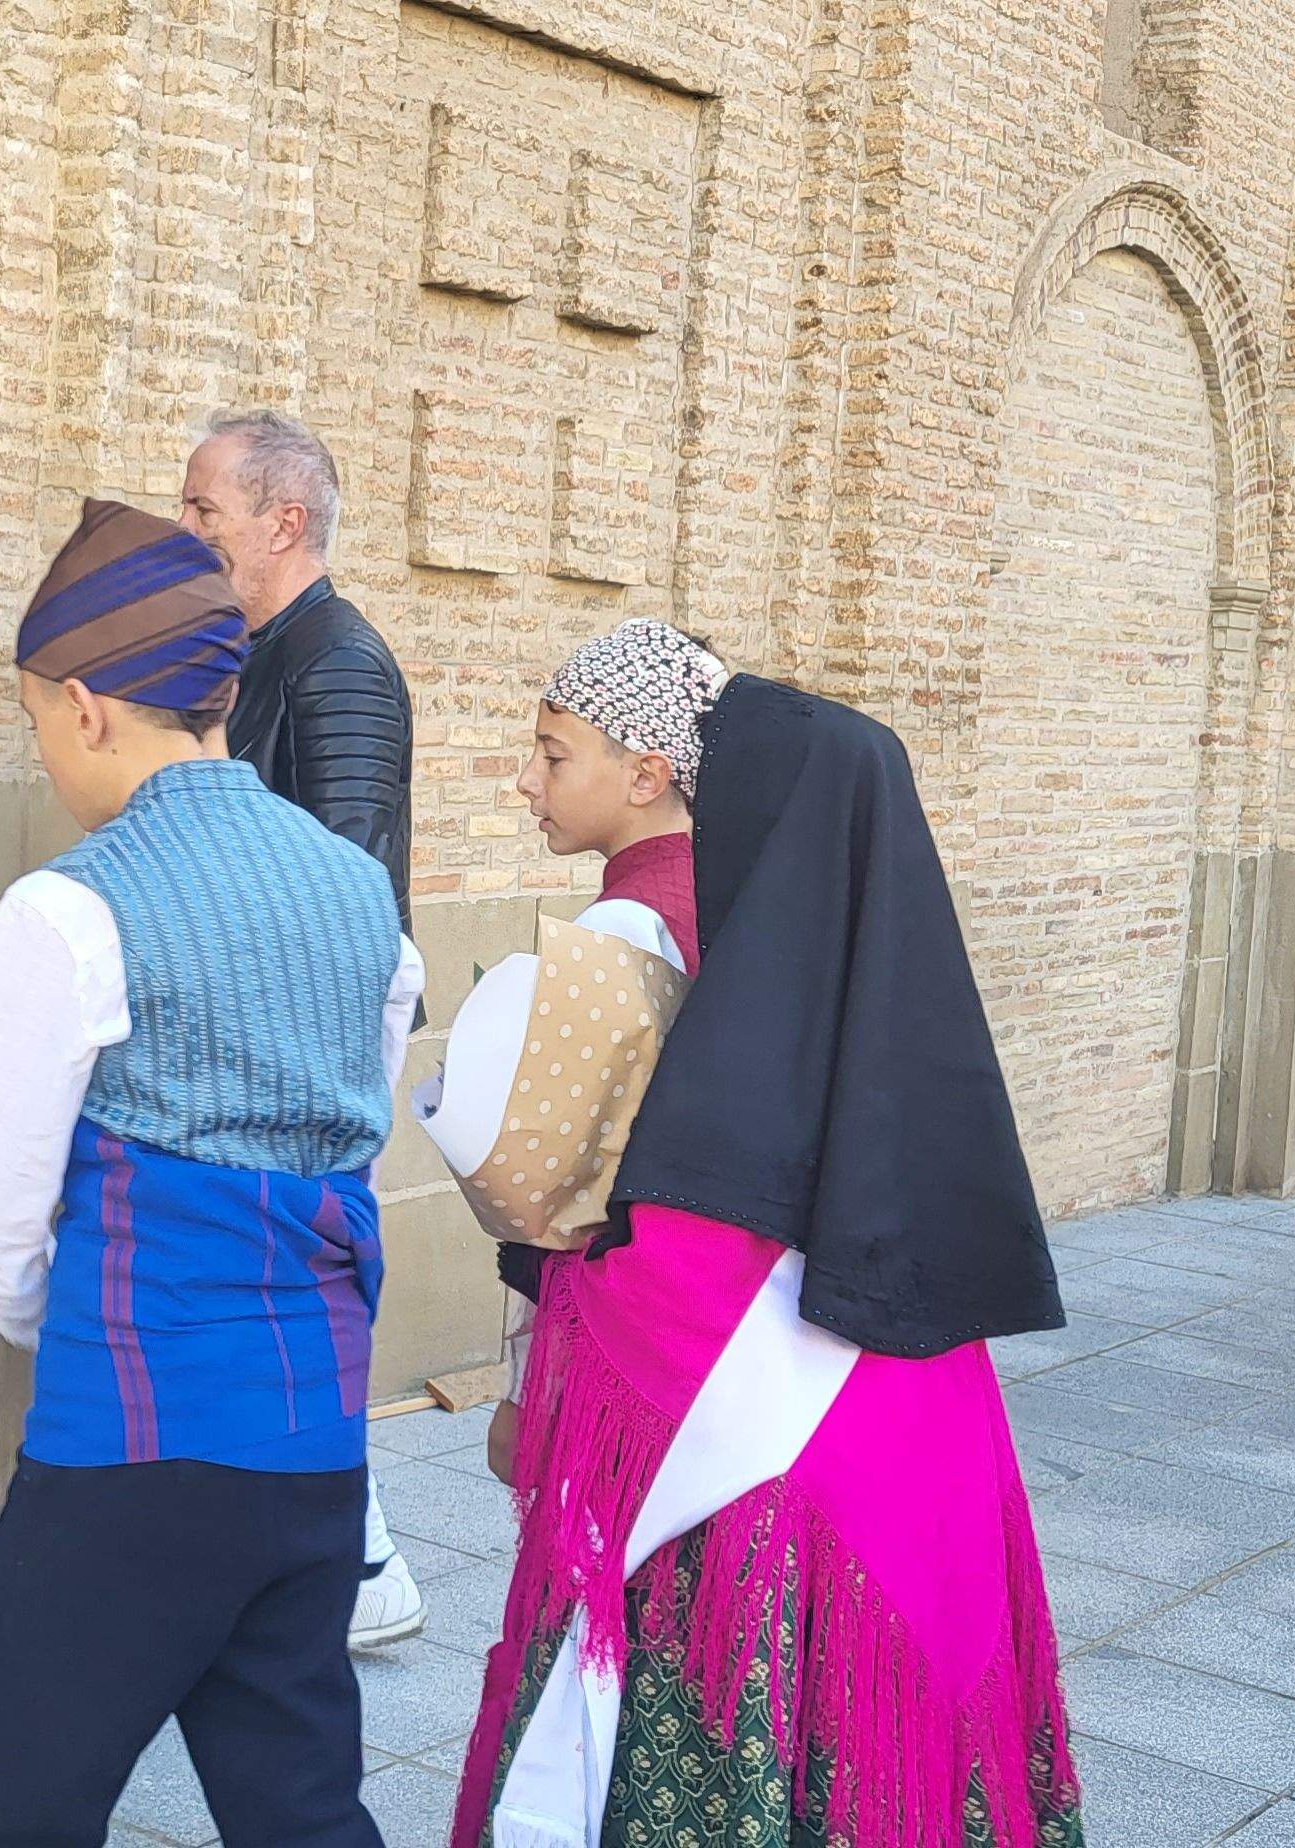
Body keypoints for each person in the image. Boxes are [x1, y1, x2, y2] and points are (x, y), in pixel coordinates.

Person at [449, 631, 1081, 1848]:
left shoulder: (651, 944)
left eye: (548, 752)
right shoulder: (862, 1007)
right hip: (909, 1435)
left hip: (746, 1476)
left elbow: (619, 1241)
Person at [0, 498, 418, 1847]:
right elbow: (357, 1114)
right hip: (313, 1438)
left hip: (127, 1444)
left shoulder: (67, 909)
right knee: (302, 1807)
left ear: (83, 709)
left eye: (32, 719)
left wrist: (81, 1318)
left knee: (18, 1810)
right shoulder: (359, 893)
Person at [180, 407, 429, 1647]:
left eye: (202, 510)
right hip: (273, 1023)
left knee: (298, 1293)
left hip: (314, 1031)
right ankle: (343, 1561)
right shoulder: (265, 644)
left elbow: (351, 887)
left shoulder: (337, 661)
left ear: (283, 523)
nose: (187, 530)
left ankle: (367, 1567)